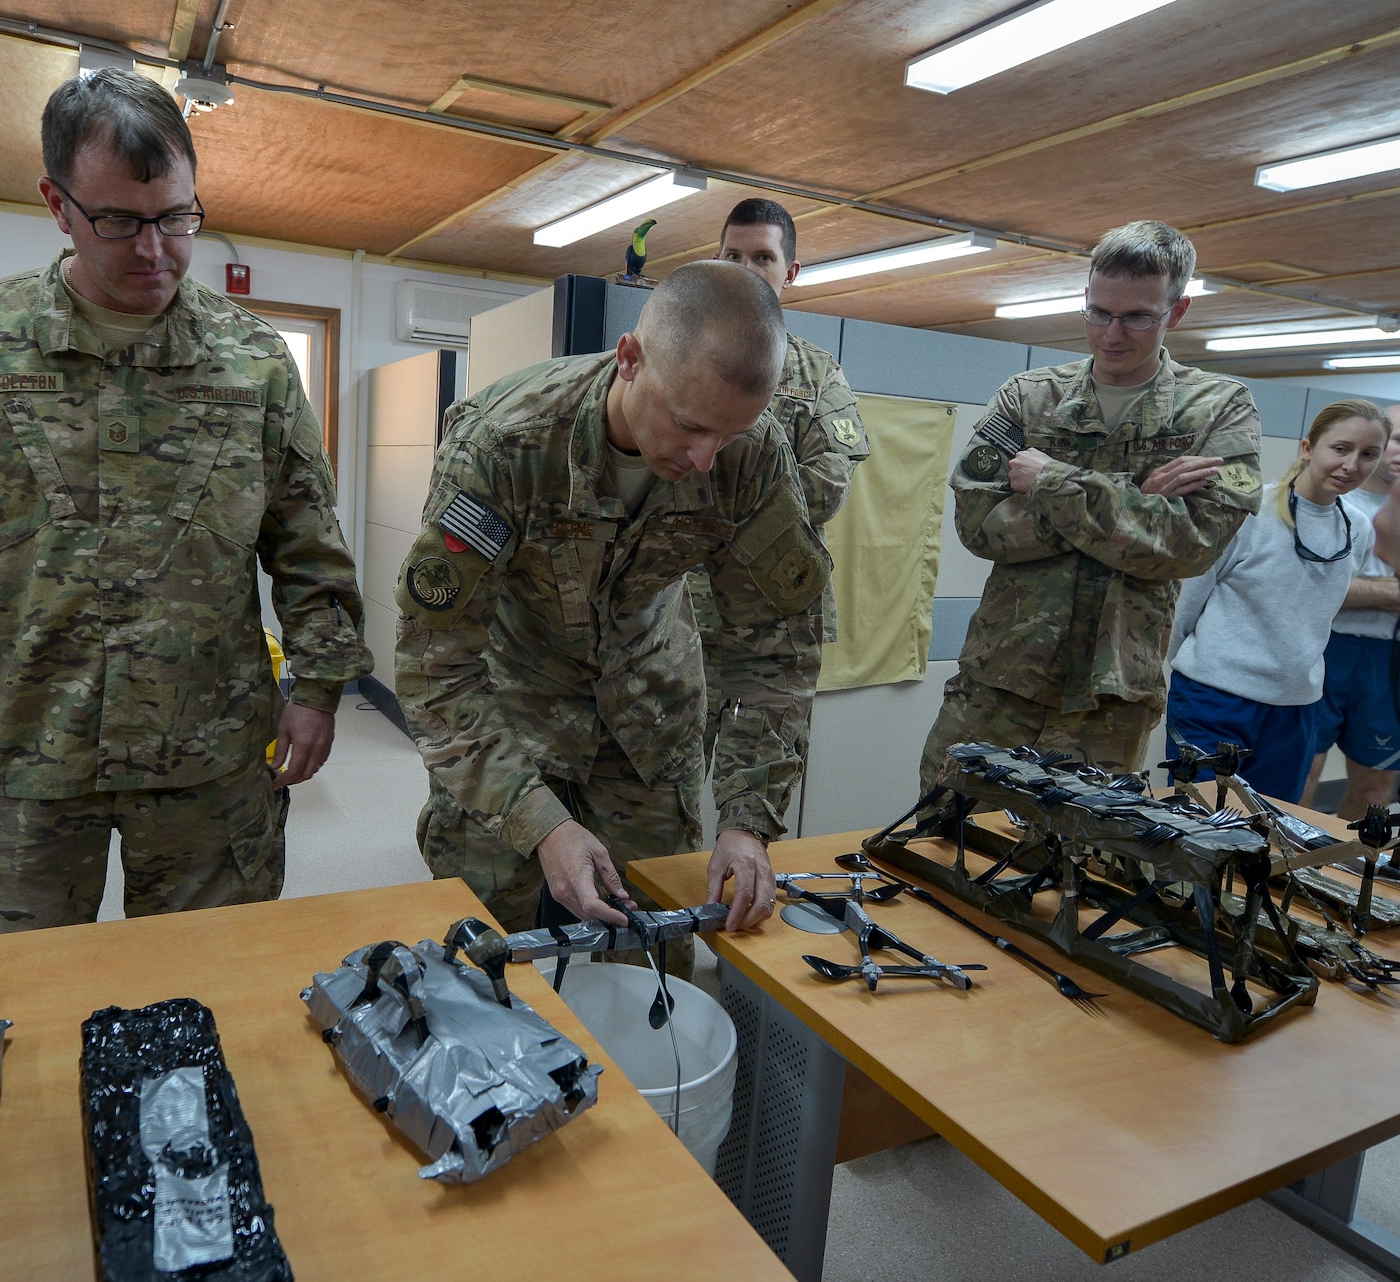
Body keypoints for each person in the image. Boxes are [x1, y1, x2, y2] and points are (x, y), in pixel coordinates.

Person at [0, 69, 369, 932]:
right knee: (12, 1000)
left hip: (213, 751)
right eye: (120, 221)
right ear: (58, 205)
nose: (155, 249)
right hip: (27, 745)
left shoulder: (254, 359)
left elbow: (309, 537)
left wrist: (318, 686)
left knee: (207, 989)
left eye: (177, 217)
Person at [394, 260, 827, 941]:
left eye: (730, 434)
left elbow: (776, 652)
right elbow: (433, 666)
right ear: (630, 359)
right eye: (688, 425)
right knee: (480, 955)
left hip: (648, 726)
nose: (707, 458)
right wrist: (538, 819)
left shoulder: (754, 457)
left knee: (652, 952)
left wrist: (748, 817)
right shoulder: (506, 443)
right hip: (512, 715)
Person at [918, 220, 1261, 790]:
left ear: (1177, 311)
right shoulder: (1027, 397)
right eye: (1098, 312)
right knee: (940, 835)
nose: (1112, 333)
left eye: (1137, 316)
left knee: (1073, 866)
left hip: (1112, 698)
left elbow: (1187, 547)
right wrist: (1138, 499)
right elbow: (981, 528)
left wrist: (1054, 481)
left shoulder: (1219, 409)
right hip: (1001, 679)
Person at [702, 197, 869, 838]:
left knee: (756, 788)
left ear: (790, 271)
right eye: (733, 256)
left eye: (762, 257)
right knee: (650, 785)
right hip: (674, 611)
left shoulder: (814, 375)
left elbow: (825, 486)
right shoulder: (673, 356)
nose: (746, 269)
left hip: (772, 619)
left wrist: (707, 508)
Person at [1166, 401, 1390, 799]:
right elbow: (1189, 601)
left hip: (1295, 705)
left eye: (1368, 454)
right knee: (1199, 821)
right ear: (1307, 448)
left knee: (1267, 833)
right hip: (1214, 696)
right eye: (1340, 449)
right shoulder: (1248, 513)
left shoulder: (1357, 528)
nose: (1351, 465)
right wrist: (1195, 664)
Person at [1303, 404, 1400, 820]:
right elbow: (1315, 590)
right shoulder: (1331, 497)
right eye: (1398, 441)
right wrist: (1391, 593)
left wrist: (1366, 591)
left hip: (1386, 658)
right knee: (1304, 773)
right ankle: (1288, 869)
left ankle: (1338, 873)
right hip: (1326, 646)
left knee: (1375, 786)